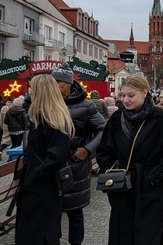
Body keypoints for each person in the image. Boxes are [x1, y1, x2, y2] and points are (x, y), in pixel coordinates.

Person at [96, 75, 163, 244]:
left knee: (147, 234)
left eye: (130, 95)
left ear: (144, 93)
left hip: (149, 189)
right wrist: (110, 173)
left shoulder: (159, 118)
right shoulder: (116, 119)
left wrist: (150, 177)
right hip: (122, 188)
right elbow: (103, 151)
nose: (125, 100)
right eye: (122, 95)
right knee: (122, 234)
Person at [51, 62, 107, 245]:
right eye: (53, 81)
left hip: (74, 165)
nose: (55, 86)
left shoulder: (86, 105)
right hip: (50, 164)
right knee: (52, 210)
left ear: (69, 83)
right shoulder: (46, 101)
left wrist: (87, 149)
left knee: (75, 210)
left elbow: (104, 130)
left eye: (59, 82)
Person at [15, 74, 74, 245]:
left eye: (32, 90)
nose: (29, 93)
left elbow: (57, 156)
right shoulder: (44, 117)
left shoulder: (52, 119)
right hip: (39, 183)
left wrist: (36, 173)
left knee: (38, 231)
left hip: (42, 185)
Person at [0, 96, 14, 160]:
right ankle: (11, 157)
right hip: (13, 126)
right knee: (14, 142)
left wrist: (1, 125)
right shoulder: (14, 107)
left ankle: (0, 152)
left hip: (5, 125)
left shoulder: (4, 107)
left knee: (5, 141)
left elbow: (1, 118)